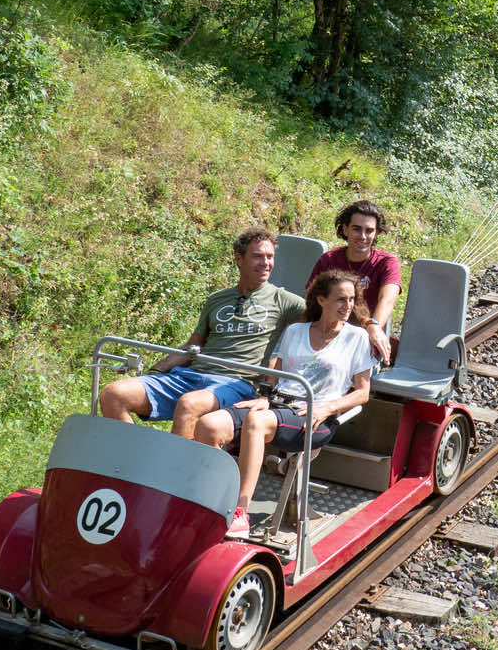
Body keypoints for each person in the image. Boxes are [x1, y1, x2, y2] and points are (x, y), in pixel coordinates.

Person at [97, 229, 305, 442]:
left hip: (236, 383)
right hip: (191, 375)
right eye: (257, 256)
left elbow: (324, 321)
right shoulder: (217, 299)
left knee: (189, 404)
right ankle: (138, 461)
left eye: (270, 257)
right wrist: (157, 370)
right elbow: (193, 345)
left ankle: (173, 472)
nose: (265, 263)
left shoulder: (284, 300)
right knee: (114, 394)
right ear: (239, 259)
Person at [225, 270, 378, 539]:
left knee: (256, 422)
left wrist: (326, 409)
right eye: (341, 299)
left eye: (352, 299)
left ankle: (240, 511)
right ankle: (206, 499)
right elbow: (277, 371)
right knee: (209, 425)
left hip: (314, 415)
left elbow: (363, 392)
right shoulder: (295, 331)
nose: (348, 306)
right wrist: (264, 395)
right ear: (321, 300)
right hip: (278, 403)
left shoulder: (356, 338)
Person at [306, 199, 400, 364]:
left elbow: (388, 299)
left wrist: (374, 325)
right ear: (345, 229)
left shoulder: (386, 262)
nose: (363, 236)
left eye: (369, 231)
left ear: (376, 233)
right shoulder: (329, 260)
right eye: (357, 229)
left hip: (366, 336)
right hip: (328, 335)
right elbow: (311, 299)